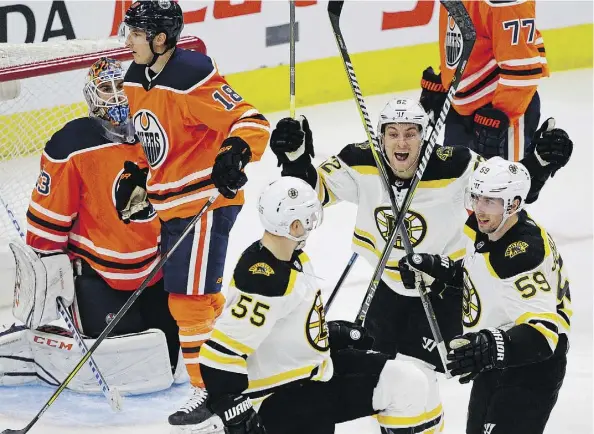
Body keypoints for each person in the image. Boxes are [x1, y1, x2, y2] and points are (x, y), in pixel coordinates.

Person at [268, 97, 573, 431]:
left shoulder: (455, 164)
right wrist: (297, 160)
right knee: (380, 376)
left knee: (419, 381)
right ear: (380, 136)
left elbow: (503, 188)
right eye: (394, 134)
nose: (402, 142)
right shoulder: (359, 159)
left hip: (442, 287)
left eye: (411, 133)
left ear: (425, 135)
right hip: (388, 286)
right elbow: (313, 194)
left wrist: (539, 163)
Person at [116, 0, 270, 426]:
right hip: (172, 207)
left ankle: (210, 394)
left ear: (160, 39)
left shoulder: (192, 74)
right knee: (202, 299)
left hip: (205, 202)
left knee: (188, 302)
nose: (127, 41)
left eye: (135, 33)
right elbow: (156, 141)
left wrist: (236, 152)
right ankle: (236, 362)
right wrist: (140, 175)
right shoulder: (134, 78)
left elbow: (251, 121)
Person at [0, 57, 183, 395]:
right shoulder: (71, 144)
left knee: (171, 362)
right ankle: (32, 347)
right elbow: (46, 222)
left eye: (121, 87)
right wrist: (48, 272)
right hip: (100, 276)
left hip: (157, 271)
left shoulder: (156, 131)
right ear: (91, 95)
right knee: (120, 370)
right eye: (106, 88)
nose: (116, 97)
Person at [193, 176, 430, 434]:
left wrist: (327, 334)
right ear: (294, 225)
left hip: (312, 374)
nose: (311, 225)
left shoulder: (291, 256)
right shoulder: (264, 281)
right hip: (280, 396)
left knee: (407, 382)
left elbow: (279, 326)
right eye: (307, 219)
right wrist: (234, 410)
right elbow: (218, 356)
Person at [399, 157, 570, 434]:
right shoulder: (490, 227)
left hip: (533, 365)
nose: (478, 208)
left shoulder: (522, 255)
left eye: (490, 200)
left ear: (514, 204)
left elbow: (544, 335)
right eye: (476, 196)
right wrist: (438, 274)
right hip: (496, 353)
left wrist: (490, 345)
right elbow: (479, 276)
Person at [420, 0, 548, 161]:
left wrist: (500, 116)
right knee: (458, 184)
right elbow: (471, 39)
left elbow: (523, 67)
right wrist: (448, 82)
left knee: (503, 184)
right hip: (461, 111)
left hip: (499, 114)